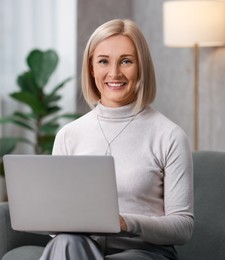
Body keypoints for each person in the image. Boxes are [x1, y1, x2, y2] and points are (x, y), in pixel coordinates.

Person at [39, 19, 194, 260]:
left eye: (126, 61)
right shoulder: (69, 135)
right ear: (91, 68)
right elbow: (57, 224)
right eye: (103, 61)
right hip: (81, 246)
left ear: (141, 67)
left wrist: (125, 222)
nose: (114, 73)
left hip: (143, 252)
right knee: (65, 242)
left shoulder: (169, 136)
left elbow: (183, 227)